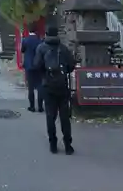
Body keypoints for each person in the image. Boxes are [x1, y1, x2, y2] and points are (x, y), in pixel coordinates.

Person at [34, 26, 76, 155]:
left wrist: (45, 75)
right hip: (62, 86)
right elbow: (71, 66)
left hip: (48, 86)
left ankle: (53, 144)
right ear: (57, 34)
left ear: (46, 34)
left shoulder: (41, 48)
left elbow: (37, 65)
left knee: (50, 116)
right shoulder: (63, 48)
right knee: (64, 117)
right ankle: (68, 145)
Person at [21, 24, 43, 112]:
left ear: (29, 31)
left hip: (29, 66)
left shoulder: (25, 40)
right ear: (36, 31)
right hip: (38, 66)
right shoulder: (39, 41)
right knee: (40, 87)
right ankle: (40, 106)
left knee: (30, 88)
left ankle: (32, 106)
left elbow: (22, 50)